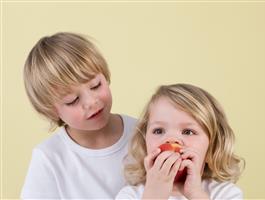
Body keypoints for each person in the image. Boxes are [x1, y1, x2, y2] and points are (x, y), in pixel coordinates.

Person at [21, 32, 137, 199]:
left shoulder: (145, 133)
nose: (91, 102)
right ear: (52, 110)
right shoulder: (49, 158)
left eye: (96, 85)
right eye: (72, 100)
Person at [116, 83, 245, 200]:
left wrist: (195, 194)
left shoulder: (225, 193)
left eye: (188, 132)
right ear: (144, 143)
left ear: (212, 147)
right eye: (159, 131)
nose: (171, 139)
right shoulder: (130, 195)